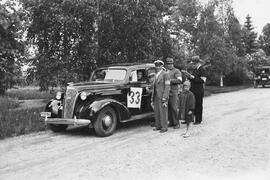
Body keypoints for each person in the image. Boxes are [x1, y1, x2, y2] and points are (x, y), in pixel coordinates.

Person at [182, 56, 206, 125]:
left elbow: (202, 80)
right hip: (192, 90)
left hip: (199, 90)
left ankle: (198, 120)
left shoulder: (202, 69)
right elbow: (193, 79)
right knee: (191, 105)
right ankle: (190, 119)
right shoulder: (195, 70)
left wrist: (192, 77)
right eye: (192, 64)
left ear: (197, 63)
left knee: (198, 105)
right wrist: (188, 76)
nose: (192, 65)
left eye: (193, 64)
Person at [151, 60, 170, 133]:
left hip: (162, 95)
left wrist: (165, 97)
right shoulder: (156, 75)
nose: (158, 67)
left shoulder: (165, 74)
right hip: (156, 95)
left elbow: (167, 86)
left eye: (159, 65)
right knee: (157, 111)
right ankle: (158, 126)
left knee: (163, 112)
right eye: (156, 66)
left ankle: (164, 127)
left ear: (162, 66)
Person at [165, 58, 182, 129]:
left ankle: (176, 123)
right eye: (168, 64)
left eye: (170, 64)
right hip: (166, 92)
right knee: (168, 108)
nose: (169, 65)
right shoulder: (165, 71)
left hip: (174, 92)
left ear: (173, 64)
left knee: (174, 108)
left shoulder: (176, 71)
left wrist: (170, 80)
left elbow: (180, 80)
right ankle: (171, 122)